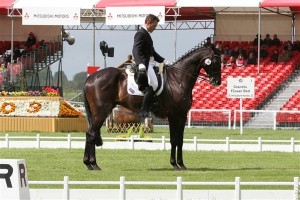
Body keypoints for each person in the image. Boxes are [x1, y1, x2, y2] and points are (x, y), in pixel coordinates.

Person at [132, 14, 165, 118]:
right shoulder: (140, 34)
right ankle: (143, 110)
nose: (155, 28)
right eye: (154, 26)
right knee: (154, 84)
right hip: (144, 64)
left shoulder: (147, 34)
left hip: (150, 62)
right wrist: (140, 63)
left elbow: (153, 53)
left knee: (156, 83)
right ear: (148, 23)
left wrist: (163, 60)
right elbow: (136, 50)